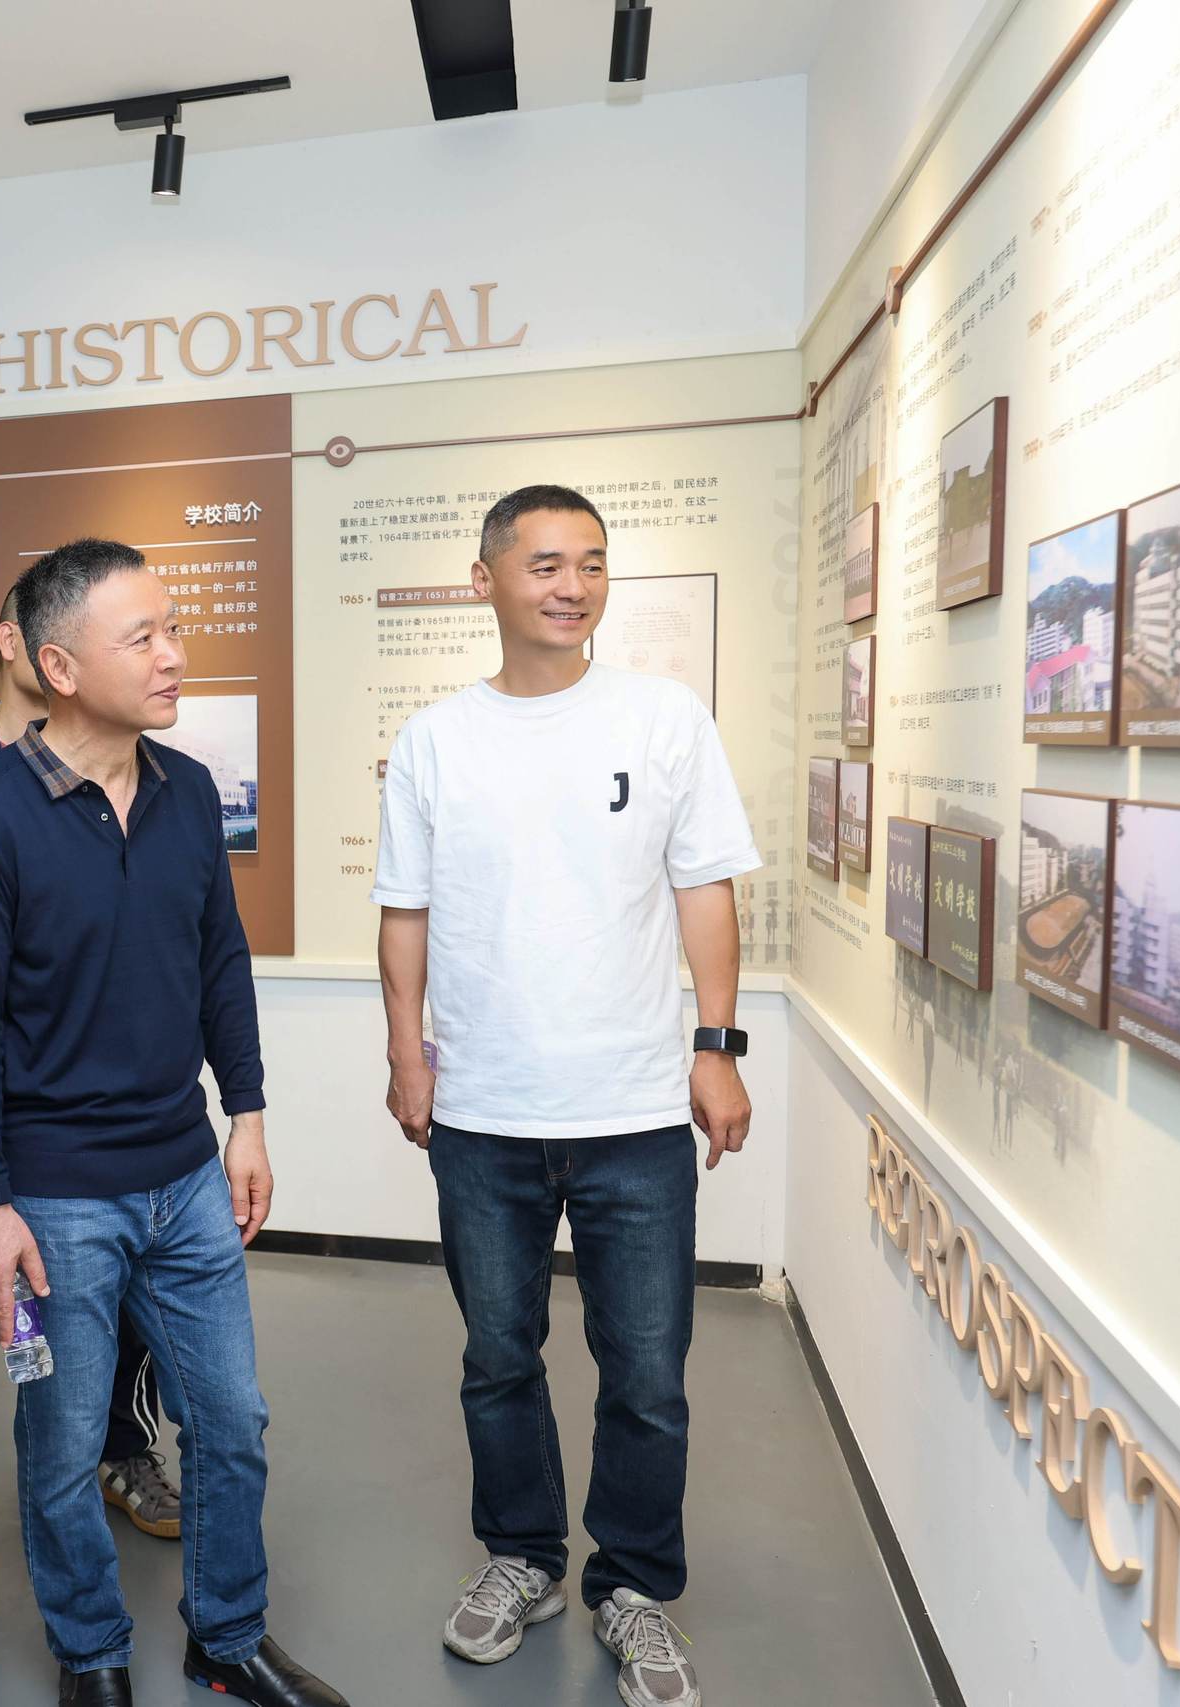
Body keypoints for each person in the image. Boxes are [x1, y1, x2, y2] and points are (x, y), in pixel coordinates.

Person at [0, 539, 348, 1707]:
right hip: (53, 1198)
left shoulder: (186, 791)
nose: (174, 656)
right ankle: (91, 1655)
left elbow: (220, 963)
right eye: (144, 638)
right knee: (63, 1445)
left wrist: (247, 1117)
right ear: (59, 667)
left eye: (173, 630)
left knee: (232, 1421)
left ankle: (227, 1637)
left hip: (184, 1175)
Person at [372, 485, 756, 1707]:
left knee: (646, 1371)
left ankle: (631, 1587)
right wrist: (405, 1049)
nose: (571, 585)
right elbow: (403, 911)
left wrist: (716, 1046)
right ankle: (523, 1557)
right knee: (497, 1356)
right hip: (482, 1111)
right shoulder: (436, 739)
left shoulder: (662, 717)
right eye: (543, 563)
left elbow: (705, 887)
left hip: (633, 1111)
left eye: (590, 563)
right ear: (484, 579)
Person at [0, 585, 176, 1572]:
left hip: (108, 1110)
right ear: (23, 643)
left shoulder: (139, 770)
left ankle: (122, 1446)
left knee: (121, 1289)